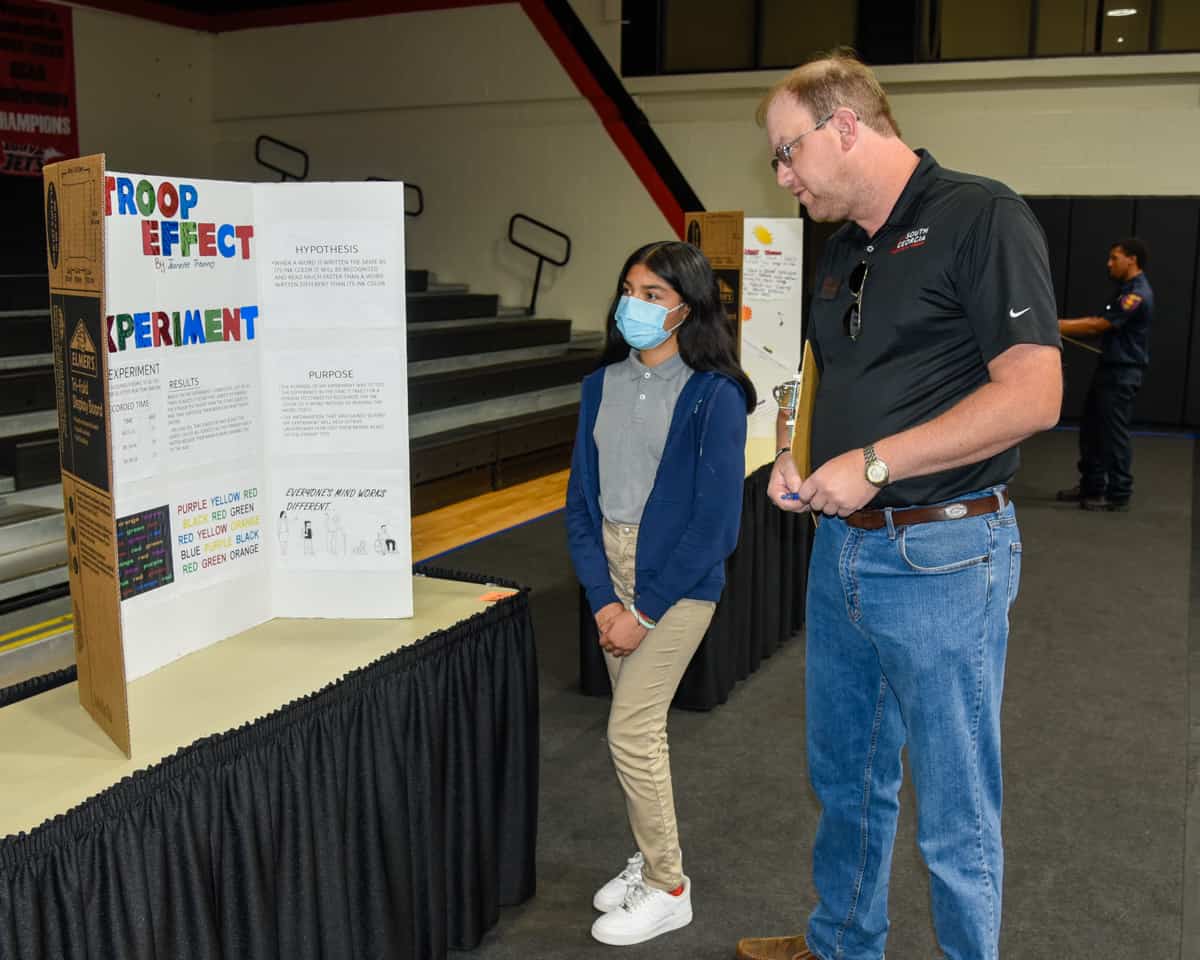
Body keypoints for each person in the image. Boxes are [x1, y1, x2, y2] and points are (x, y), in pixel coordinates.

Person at [736, 51, 1063, 960]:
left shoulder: (980, 216)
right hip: (842, 551)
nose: (782, 175)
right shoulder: (842, 247)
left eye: (787, 151)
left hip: (946, 555)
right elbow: (819, 374)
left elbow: (1035, 395)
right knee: (847, 781)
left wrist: (875, 463)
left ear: (846, 126)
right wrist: (794, 456)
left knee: (954, 814)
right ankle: (842, 945)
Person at [565, 240, 756, 947]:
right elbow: (580, 503)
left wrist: (642, 611)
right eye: (629, 289)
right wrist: (602, 600)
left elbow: (716, 525)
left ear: (687, 307)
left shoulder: (714, 395)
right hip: (611, 571)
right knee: (637, 731)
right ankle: (647, 861)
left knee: (630, 730)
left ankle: (670, 885)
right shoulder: (600, 385)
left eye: (653, 294)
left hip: (678, 580)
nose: (635, 306)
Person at [1056, 238, 1153, 512]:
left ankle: (1118, 493)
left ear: (1131, 259)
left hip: (1122, 374)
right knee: (1092, 431)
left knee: (1112, 435)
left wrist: (1053, 325)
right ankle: (1092, 485)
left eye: (1115, 258)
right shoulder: (1125, 290)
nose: (1109, 264)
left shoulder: (1137, 294)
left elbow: (1098, 325)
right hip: (1109, 370)